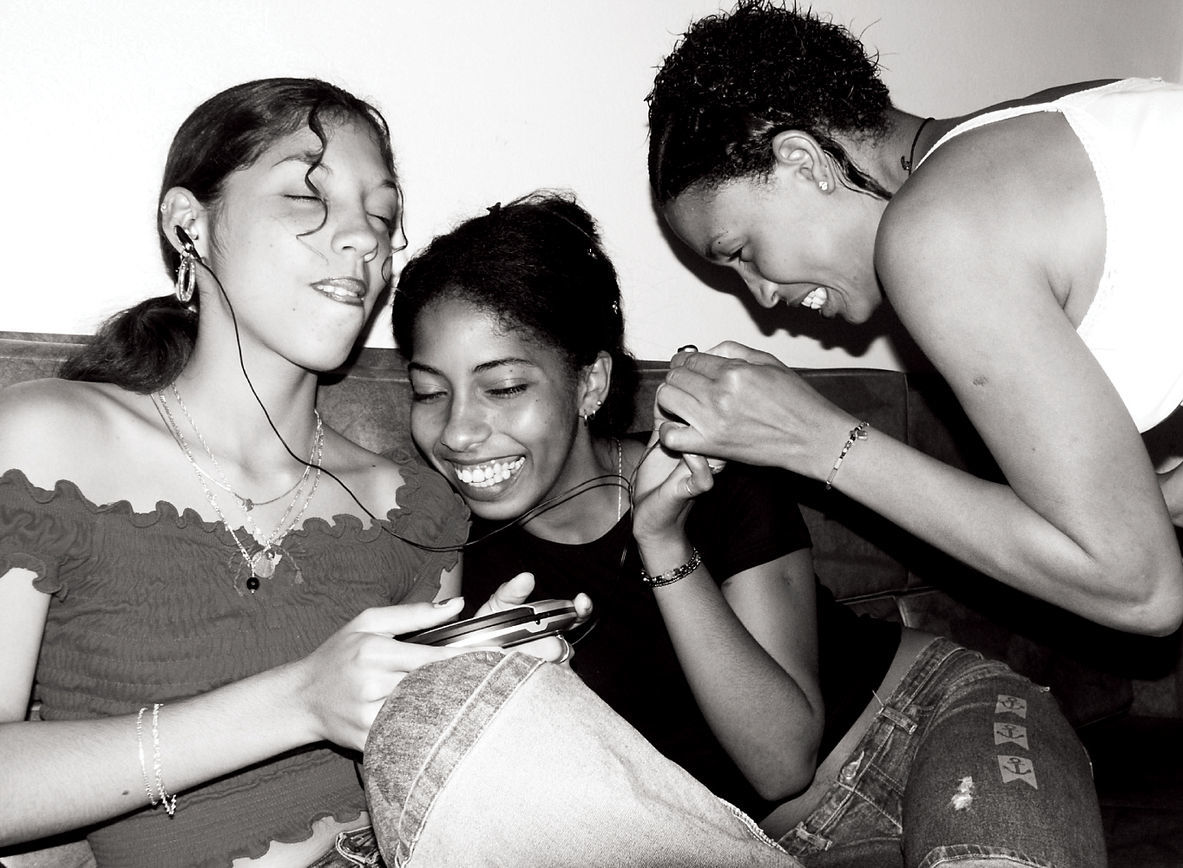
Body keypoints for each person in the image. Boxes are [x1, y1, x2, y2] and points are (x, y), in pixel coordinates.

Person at [386, 191, 1106, 866]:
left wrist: (664, 543)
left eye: (504, 387)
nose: (457, 431)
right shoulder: (458, 560)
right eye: (429, 392)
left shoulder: (714, 470)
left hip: (931, 724)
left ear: (590, 383)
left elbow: (781, 758)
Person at [0, 77, 557, 868]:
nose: (363, 238)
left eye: (382, 214)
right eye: (307, 195)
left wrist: (494, 704)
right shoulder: (48, 441)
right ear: (188, 224)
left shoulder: (413, 505)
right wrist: (300, 701)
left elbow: (429, 793)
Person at [645, 0, 1183, 638]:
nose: (760, 294)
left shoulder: (933, 234)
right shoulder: (1040, 124)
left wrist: (812, 437)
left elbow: (1141, 590)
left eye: (742, 253)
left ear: (802, 162)